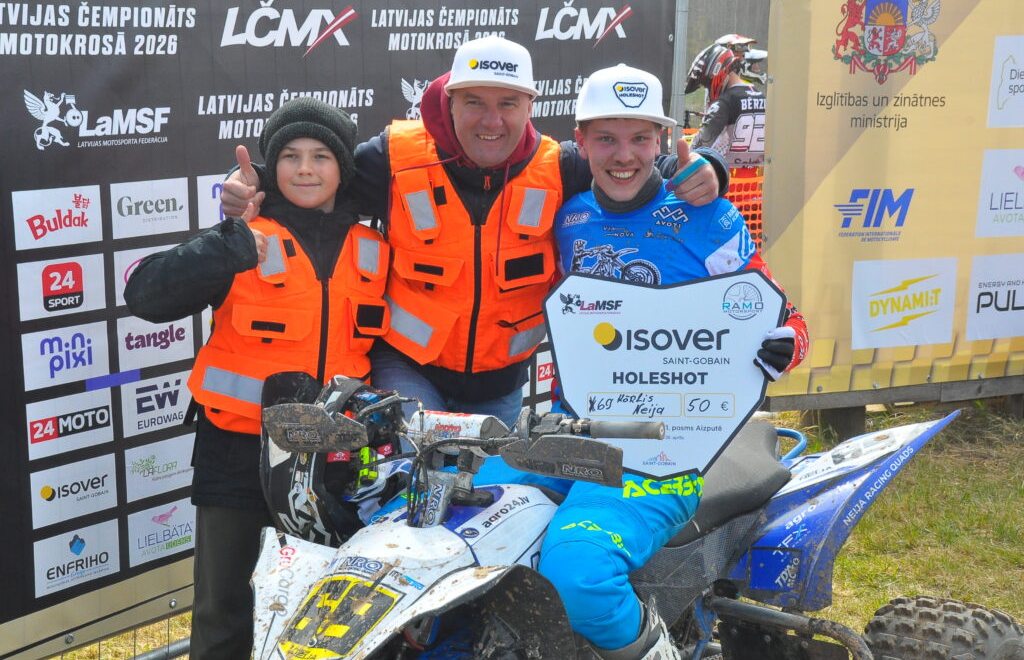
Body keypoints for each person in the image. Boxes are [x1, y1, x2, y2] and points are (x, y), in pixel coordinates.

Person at [219, 36, 730, 430]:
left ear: (530, 106)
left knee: (484, 501)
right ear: (449, 101)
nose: (492, 120)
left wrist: (709, 168)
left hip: (499, 386)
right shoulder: (396, 157)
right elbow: (316, 177)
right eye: (474, 102)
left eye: (508, 103)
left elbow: (635, 164)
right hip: (408, 369)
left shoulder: (560, 167)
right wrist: (252, 183)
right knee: (420, 483)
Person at [539, 63, 807, 659]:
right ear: (580, 141)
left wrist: (788, 340)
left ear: (662, 139)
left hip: (668, 448)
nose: (624, 155)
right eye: (606, 138)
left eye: (640, 138)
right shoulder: (569, 218)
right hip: (568, 432)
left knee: (579, 576)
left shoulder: (710, 218)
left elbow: (783, 314)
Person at [124, 97, 389, 660]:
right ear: (272, 166)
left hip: (334, 464)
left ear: (343, 167)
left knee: (323, 617)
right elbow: (143, 295)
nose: (305, 169)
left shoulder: (375, 250)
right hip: (236, 454)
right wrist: (224, 247)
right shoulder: (245, 236)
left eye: (321, 156)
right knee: (225, 613)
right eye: (290, 156)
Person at [686, 41, 767, 173]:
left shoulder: (723, 104)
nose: (708, 88)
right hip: (758, 182)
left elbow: (695, 151)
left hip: (726, 181)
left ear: (715, 72)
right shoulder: (764, 98)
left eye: (706, 84)